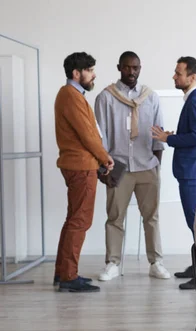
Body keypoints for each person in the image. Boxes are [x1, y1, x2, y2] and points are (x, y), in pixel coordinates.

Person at [94, 51, 169, 281]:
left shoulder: (151, 97)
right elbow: (99, 136)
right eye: (127, 67)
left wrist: (156, 164)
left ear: (140, 68)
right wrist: (104, 168)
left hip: (146, 165)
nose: (132, 72)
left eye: (135, 68)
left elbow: (159, 133)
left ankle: (156, 262)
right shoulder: (106, 97)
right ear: (119, 67)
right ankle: (113, 263)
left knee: (151, 217)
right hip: (118, 166)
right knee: (115, 217)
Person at [54, 52, 114, 292]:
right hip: (81, 166)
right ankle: (68, 276)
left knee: (73, 220)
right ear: (76, 73)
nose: (94, 74)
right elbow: (87, 134)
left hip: (79, 164)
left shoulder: (71, 95)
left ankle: (63, 273)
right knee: (80, 221)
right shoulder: (70, 95)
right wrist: (105, 157)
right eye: (90, 70)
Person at [152, 56, 196, 290]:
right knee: (195, 222)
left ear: (192, 77)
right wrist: (174, 136)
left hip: (192, 170)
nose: (174, 76)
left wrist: (169, 138)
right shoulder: (193, 100)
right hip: (191, 169)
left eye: (178, 73)